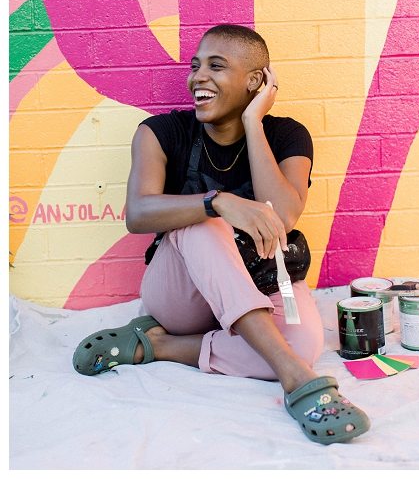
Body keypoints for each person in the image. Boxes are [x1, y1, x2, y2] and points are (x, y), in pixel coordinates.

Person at [72, 24, 369, 445]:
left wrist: (254, 123)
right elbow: (138, 213)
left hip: (263, 279)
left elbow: (282, 216)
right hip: (184, 298)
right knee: (205, 221)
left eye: (216, 66)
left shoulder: (287, 135)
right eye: (196, 67)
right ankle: (297, 380)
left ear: (255, 82)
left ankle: (154, 345)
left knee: (302, 341)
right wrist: (218, 201)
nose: (198, 78)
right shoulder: (161, 132)